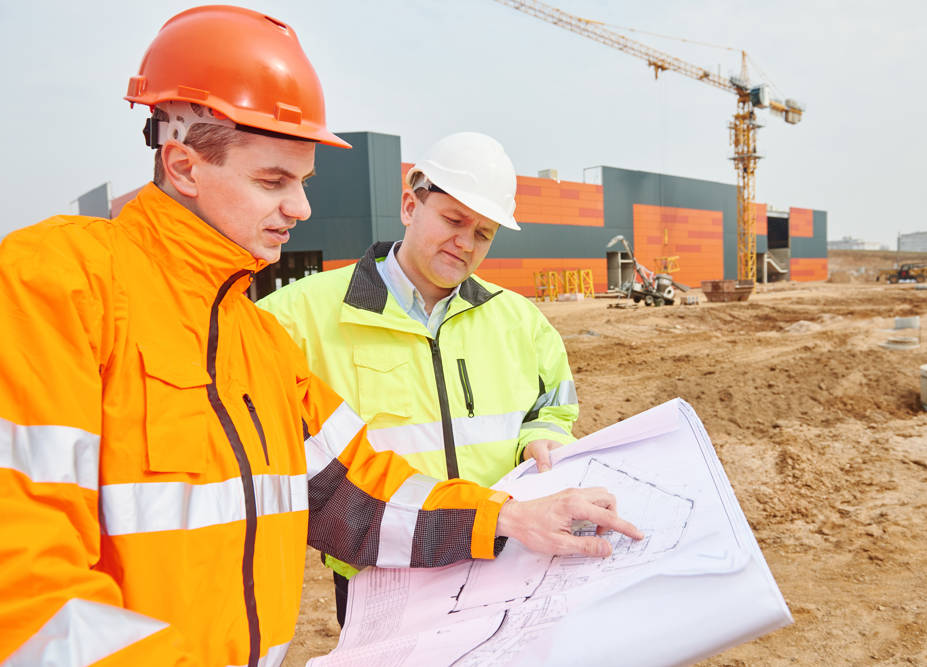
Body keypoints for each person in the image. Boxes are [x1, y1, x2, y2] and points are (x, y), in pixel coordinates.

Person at [0, 7, 640, 666]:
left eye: (302, 182)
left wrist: (508, 517)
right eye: (273, 181)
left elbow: (350, 492)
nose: (301, 207)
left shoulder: (258, 342)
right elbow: (24, 587)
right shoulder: (59, 286)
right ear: (184, 165)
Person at [258, 131, 580, 625]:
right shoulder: (296, 318)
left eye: (483, 234)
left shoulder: (519, 320)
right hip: (381, 569)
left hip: (502, 552)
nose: (465, 243)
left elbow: (552, 405)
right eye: (453, 220)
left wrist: (542, 435)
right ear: (410, 205)